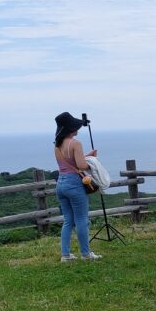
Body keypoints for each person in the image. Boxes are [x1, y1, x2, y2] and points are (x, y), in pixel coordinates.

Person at [53, 111, 102, 261]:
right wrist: (92, 160)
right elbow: (80, 165)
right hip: (74, 184)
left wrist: (87, 155)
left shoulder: (57, 144)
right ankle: (86, 254)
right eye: (75, 126)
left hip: (60, 183)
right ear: (70, 128)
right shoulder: (75, 143)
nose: (77, 128)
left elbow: (69, 162)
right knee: (82, 219)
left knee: (68, 220)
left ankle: (65, 255)